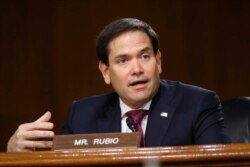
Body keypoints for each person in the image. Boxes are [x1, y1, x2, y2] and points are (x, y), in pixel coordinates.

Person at [7, 18, 231, 152]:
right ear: (106, 72)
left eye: (144, 56)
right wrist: (16, 151)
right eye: (123, 61)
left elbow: (221, 163)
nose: (136, 69)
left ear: (158, 61)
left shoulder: (198, 104)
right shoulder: (83, 114)